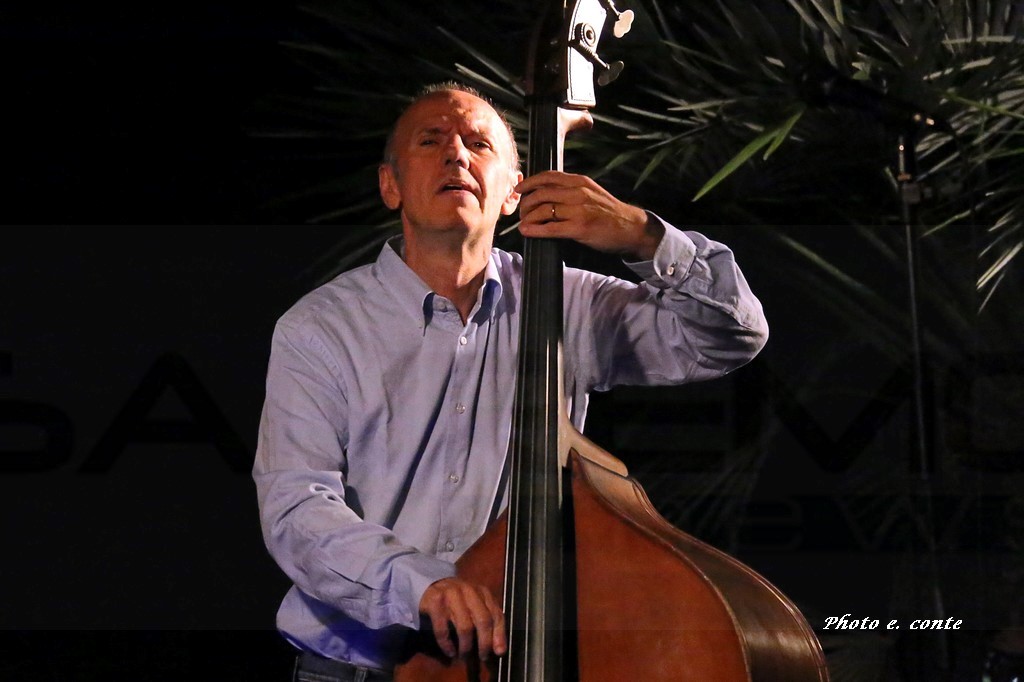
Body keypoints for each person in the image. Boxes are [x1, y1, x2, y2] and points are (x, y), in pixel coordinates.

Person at [253, 81, 768, 681]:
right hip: (355, 671)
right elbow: (296, 507)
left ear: (512, 193)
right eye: (430, 141)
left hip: (514, 661)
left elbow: (731, 335)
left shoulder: (566, 303)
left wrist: (642, 235)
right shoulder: (319, 328)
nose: (456, 154)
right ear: (390, 185)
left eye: (479, 144)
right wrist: (423, 585)